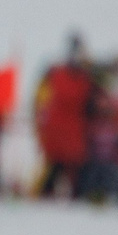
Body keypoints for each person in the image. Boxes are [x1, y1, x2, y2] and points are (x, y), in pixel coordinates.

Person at [34, 35, 96, 200]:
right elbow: (40, 101)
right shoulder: (63, 74)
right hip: (62, 131)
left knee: (67, 170)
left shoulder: (82, 77)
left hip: (69, 131)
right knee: (58, 169)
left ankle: (63, 195)